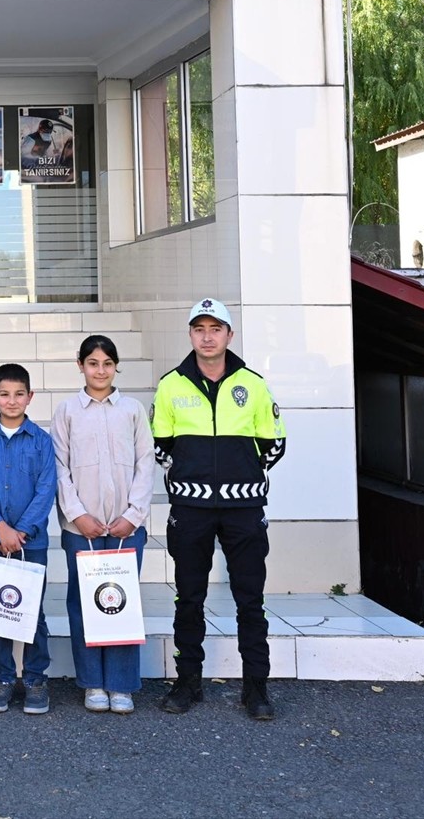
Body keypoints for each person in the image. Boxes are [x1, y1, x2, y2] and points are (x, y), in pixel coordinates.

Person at [152, 299, 286, 721]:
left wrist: (237, 476)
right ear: (190, 335)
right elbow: (161, 447)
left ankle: (256, 689)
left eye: (216, 328)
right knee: (189, 598)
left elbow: (274, 444)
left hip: (243, 510)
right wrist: (195, 479)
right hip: (190, 510)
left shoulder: (255, 385)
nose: (207, 337)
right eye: (199, 329)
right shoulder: (171, 385)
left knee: (251, 600)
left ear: (229, 335)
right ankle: (188, 682)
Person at [52, 335, 155, 714]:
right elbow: (59, 468)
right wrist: (77, 514)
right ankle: (92, 682)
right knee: (84, 603)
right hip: (83, 530)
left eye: (107, 363)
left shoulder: (131, 409)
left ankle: (122, 684)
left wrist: (133, 515)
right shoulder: (67, 411)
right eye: (93, 363)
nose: (100, 370)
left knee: (120, 602)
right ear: (80, 365)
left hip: (125, 527)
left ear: (115, 367)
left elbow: (146, 463)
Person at [0, 363, 56, 715]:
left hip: (30, 543)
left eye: (19, 394)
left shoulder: (41, 440)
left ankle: (35, 678)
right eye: (4, 394)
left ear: (30, 397)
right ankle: (3, 677)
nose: (12, 400)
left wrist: (21, 531)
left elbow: (46, 489)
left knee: (33, 612)